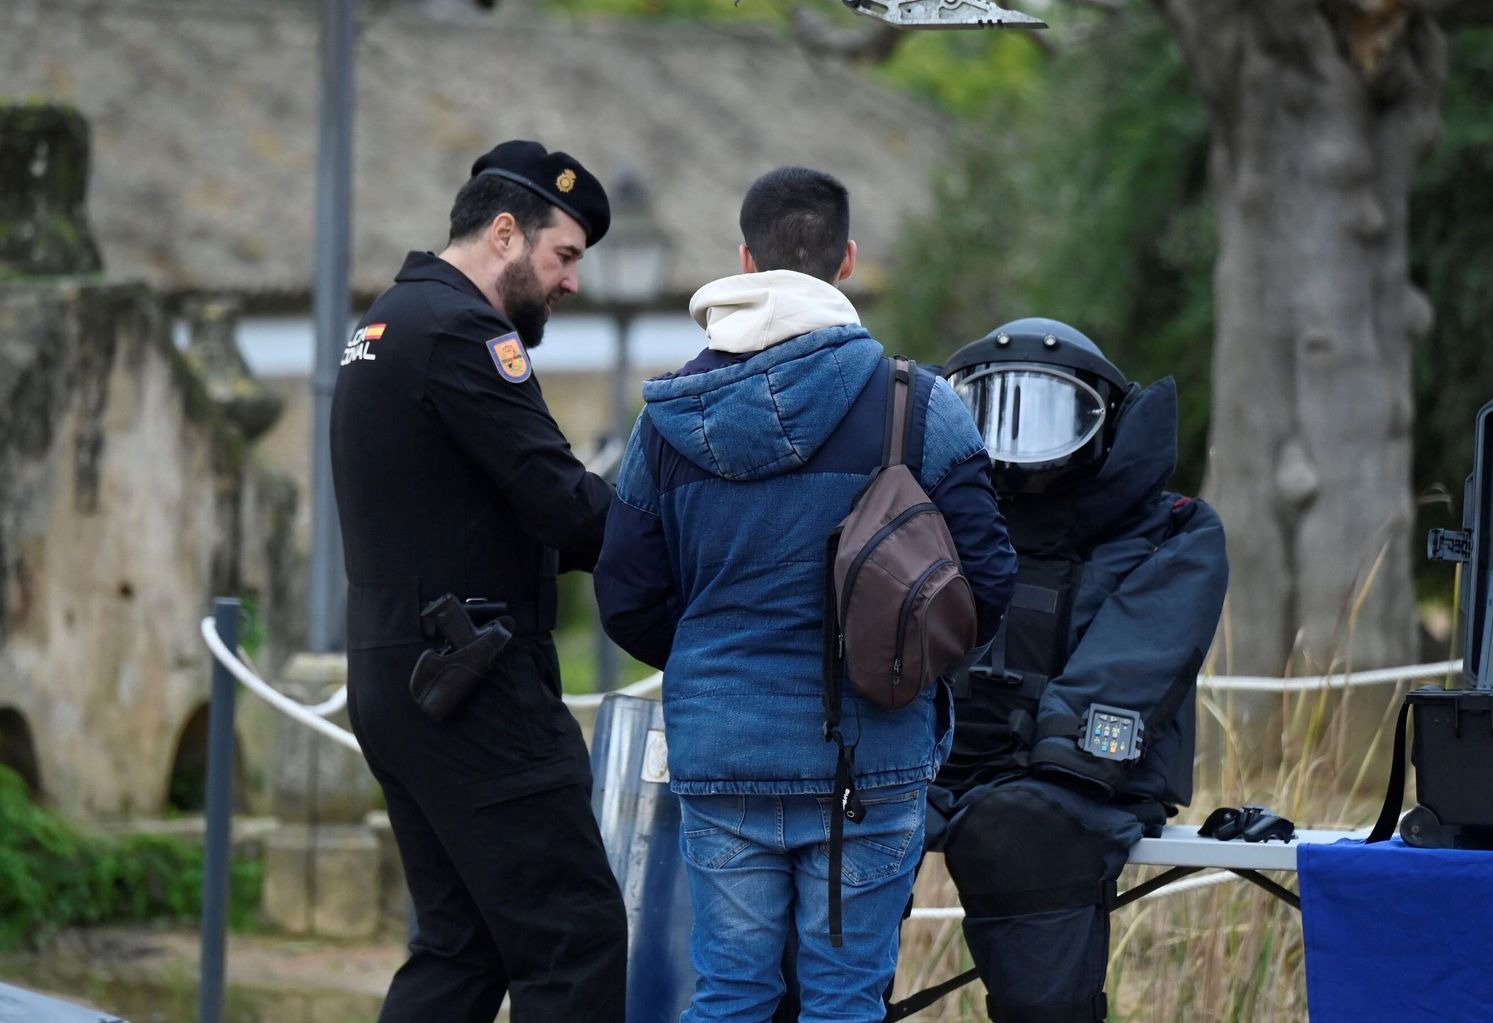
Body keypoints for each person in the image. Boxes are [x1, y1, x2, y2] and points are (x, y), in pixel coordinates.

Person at [594, 166, 1017, 1023]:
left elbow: (627, 593)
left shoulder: (666, 421)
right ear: (847, 260)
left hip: (722, 748)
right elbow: (990, 582)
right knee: (845, 999)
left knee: (732, 992)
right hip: (872, 755)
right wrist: (896, 657)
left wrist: (717, 656)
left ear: (744, 260)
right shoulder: (919, 407)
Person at [329, 140, 628, 1023]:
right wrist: (686, 524)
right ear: (506, 233)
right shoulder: (465, 331)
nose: (571, 281)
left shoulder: (385, 322)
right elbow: (566, 505)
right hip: (474, 687)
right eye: (563, 254)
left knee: (463, 948)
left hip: (402, 678)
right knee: (573, 937)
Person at [927, 319, 1229, 1023]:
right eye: (998, 409)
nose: (1021, 440)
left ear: (1107, 421)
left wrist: (1061, 750)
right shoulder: (930, 517)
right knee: (837, 826)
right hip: (923, 764)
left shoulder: (1172, 531)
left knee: (1025, 828)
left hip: (1071, 783)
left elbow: (1132, 663)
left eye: (1049, 411)